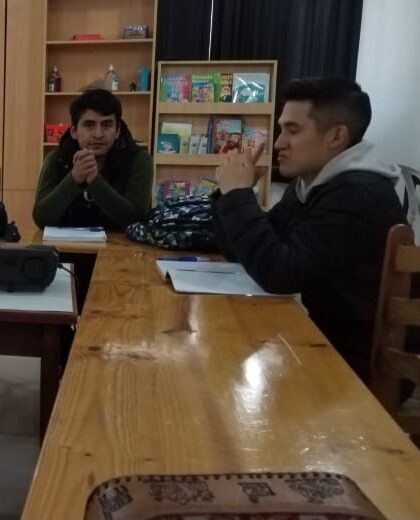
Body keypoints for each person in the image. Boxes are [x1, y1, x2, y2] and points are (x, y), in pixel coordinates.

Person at [212, 77, 406, 382]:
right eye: (281, 130)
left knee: (220, 372)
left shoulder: (357, 194)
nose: (278, 143)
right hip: (319, 341)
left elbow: (279, 274)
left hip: (358, 368)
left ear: (336, 136)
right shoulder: (312, 184)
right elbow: (244, 253)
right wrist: (230, 195)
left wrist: (237, 197)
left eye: (293, 130)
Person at [33, 88, 153, 230]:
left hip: (120, 244)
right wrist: (73, 179)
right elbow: (41, 218)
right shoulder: (57, 159)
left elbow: (136, 219)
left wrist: (95, 181)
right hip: (66, 243)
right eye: (89, 125)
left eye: (107, 125)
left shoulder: (139, 160)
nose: (98, 134)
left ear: (117, 130)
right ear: (74, 131)